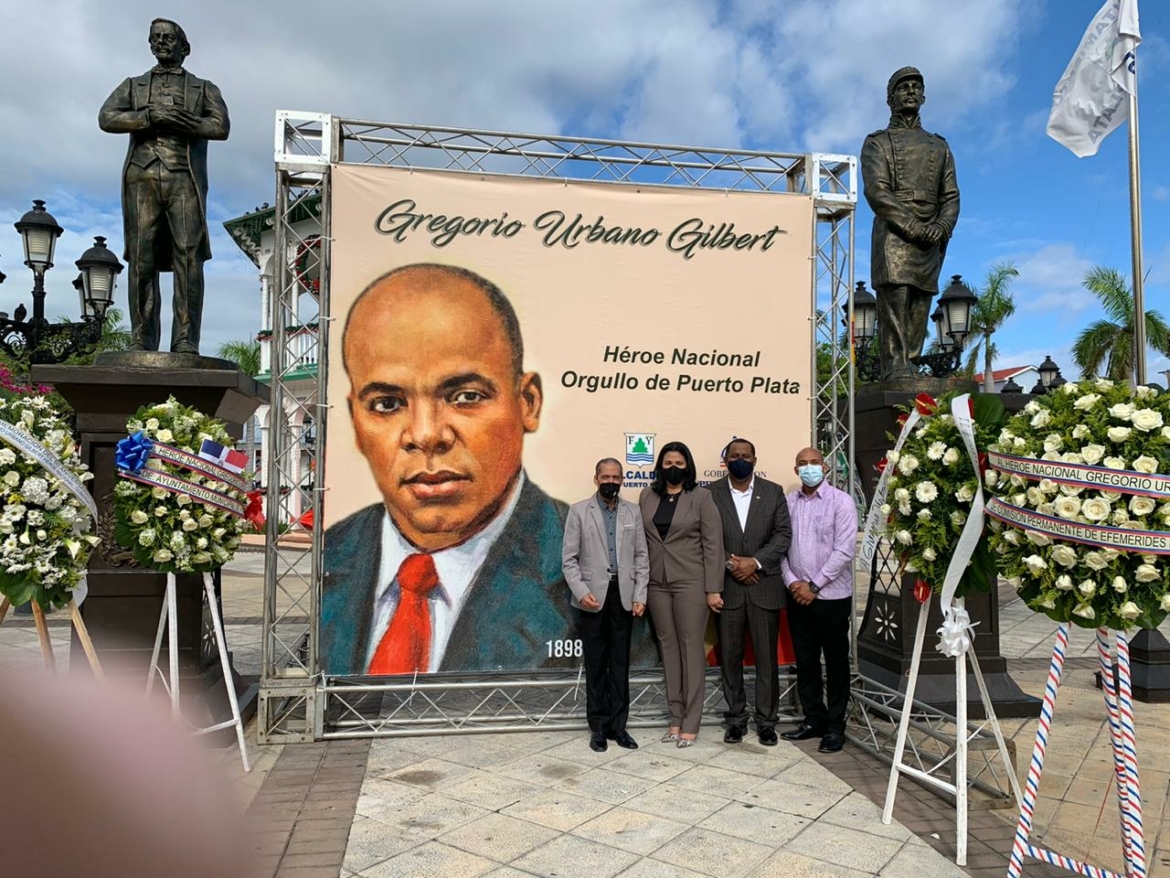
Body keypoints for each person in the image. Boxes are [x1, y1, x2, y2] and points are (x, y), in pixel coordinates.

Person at [321, 263, 570, 675]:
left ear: (527, 403)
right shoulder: (329, 556)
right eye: (387, 404)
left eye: (466, 396)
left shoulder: (583, 564)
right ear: (356, 421)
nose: (426, 435)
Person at [99, 19, 230, 354]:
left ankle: (186, 338)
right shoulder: (134, 85)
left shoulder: (203, 88)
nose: (161, 43)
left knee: (189, 257)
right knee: (141, 258)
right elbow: (107, 117)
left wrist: (188, 123)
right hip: (141, 177)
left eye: (168, 38)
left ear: (183, 46)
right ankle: (141, 336)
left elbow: (221, 126)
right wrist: (147, 117)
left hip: (183, 177)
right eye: (155, 38)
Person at [860, 66, 960, 380]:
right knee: (895, 300)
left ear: (924, 96)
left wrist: (941, 227)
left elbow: (952, 195)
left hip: (931, 236)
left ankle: (911, 364)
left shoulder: (939, 146)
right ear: (890, 99)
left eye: (916, 87)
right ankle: (895, 367)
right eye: (903, 88)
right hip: (895, 233)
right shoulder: (878, 142)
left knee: (920, 304)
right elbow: (877, 191)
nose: (911, 92)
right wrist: (913, 227)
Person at [707, 438, 792, 746]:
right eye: (734, 456)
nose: (739, 460)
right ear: (725, 460)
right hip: (728, 589)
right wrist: (733, 565)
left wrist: (754, 563)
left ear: (755, 459)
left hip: (763, 587)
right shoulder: (709, 494)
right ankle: (736, 719)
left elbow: (783, 535)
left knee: (766, 660)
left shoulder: (773, 492)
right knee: (730, 658)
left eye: (745, 455)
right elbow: (706, 537)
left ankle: (767, 722)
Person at [639, 441, 724, 747]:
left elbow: (713, 545)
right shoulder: (647, 496)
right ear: (659, 466)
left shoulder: (701, 497)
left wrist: (714, 588)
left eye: (678, 463)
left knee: (691, 650)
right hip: (656, 583)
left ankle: (691, 721)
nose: (672, 467)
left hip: (691, 581)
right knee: (668, 650)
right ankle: (675, 717)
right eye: (667, 462)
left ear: (687, 467)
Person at [562, 458, 649, 752]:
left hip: (623, 595)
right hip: (592, 597)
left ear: (622, 479)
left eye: (616, 476)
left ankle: (618, 727)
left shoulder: (632, 512)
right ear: (596, 479)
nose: (611, 481)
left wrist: (640, 595)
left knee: (620, 663)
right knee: (597, 664)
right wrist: (581, 590)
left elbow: (641, 557)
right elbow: (569, 559)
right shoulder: (578, 512)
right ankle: (598, 727)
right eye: (606, 476)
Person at [780, 447, 858, 753]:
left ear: (825, 466)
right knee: (806, 661)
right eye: (803, 464)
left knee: (836, 663)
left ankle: (836, 726)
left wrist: (814, 585)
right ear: (795, 469)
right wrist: (794, 583)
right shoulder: (788, 504)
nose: (809, 467)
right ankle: (813, 718)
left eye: (814, 463)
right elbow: (781, 547)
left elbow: (845, 550)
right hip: (797, 596)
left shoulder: (842, 502)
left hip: (831, 597)